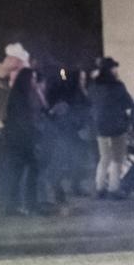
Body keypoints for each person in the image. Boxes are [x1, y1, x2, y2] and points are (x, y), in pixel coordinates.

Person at [0, 65, 46, 215]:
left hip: (21, 139)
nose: (34, 81)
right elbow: (23, 119)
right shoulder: (20, 96)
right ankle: (25, 204)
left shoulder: (23, 94)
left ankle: (16, 205)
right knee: (23, 172)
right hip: (20, 140)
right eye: (31, 78)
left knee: (20, 172)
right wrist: (34, 135)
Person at [42, 67, 90, 207]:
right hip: (69, 132)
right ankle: (59, 190)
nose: (83, 81)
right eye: (81, 78)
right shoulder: (71, 94)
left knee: (76, 160)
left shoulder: (79, 93)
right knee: (63, 161)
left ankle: (71, 187)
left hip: (75, 132)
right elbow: (70, 112)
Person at [88, 56, 133, 200]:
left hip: (100, 126)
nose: (116, 70)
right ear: (110, 70)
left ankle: (99, 188)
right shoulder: (118, 86)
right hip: (117, 126)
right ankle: (114, 188)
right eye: (114, 68)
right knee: (117, 159)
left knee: (104, 158)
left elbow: (90, 102)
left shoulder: (94, 86)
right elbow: (128, 103)